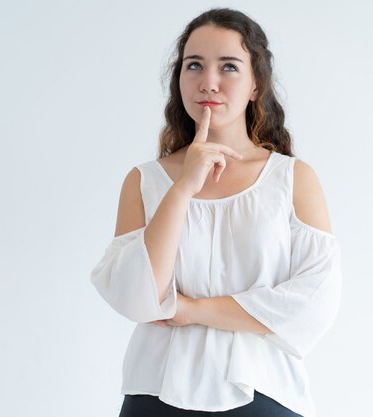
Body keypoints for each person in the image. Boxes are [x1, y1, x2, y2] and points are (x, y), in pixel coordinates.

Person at [90, 7, 342, 417]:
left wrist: (191, 310)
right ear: (179, 80)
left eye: (228, 66)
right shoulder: (145, 181)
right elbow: (137, 298)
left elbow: (315, 301)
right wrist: (185, 184)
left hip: (264, 394)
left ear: (256, 84)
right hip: (156, 394)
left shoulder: (293, 179)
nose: (209, 82)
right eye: (194, 66)